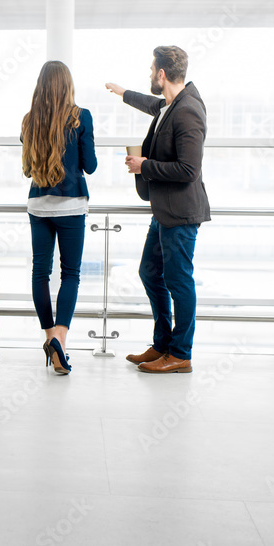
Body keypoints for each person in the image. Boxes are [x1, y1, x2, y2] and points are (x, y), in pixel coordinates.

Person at [105, 45, 210, 373]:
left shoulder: (187, 110)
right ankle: (163, 344)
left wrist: (145, 165)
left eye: (152, 71)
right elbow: (150, 103)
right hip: (165, 212)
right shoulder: (170, 105)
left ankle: (180, 354)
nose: (151, 75)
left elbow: (188, 170)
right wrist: (122, 92)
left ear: (161, 73)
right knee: (150, 272)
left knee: (179, 282)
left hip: (180, 214)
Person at [22, 60, 97, 375]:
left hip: (39, 205)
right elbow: (90, 166)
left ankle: (49, 335)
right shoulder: (81, 118)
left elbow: (28, 168)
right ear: (68, 85)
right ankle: (60, 340)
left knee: (41, 273)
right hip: (70, 207)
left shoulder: (29, 120)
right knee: (71, 274)